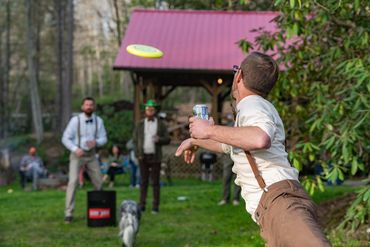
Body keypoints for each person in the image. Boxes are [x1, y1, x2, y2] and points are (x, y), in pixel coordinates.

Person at [176, 52, 331, 246]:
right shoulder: (256, 108)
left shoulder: (251, 105)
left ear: (239, 75)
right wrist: (196, 141)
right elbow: (231, 145)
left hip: (280, 203)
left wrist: (210, 129)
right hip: (277, 202)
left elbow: (259, 139)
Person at [62, 96, 107, 223]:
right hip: (77, 155)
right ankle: (68, 213)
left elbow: (104, 138)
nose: (89, 107)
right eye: (86, 105)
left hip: (92, 155)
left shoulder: (99, 121)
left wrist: (96, 142)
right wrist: (75, 149)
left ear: (94, 107)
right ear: (82, 107)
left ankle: (100, 211)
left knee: (99, 181)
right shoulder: (75, 120)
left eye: (91, 105)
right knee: (73, 182)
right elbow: (65, 138)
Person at [133, 99, 170, 214]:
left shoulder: (161, 124)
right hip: (142, 156)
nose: (150, 111)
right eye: (148, 109)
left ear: (155, 111)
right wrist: (137, 154)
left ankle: (155, 206)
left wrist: (159, 140)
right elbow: (135, 141)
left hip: (155, 156)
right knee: (143, 182)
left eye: (152, 109)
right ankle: (142, 205)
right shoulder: (139, 124)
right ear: (145, 111)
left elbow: (167, 139)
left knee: (155, 182)